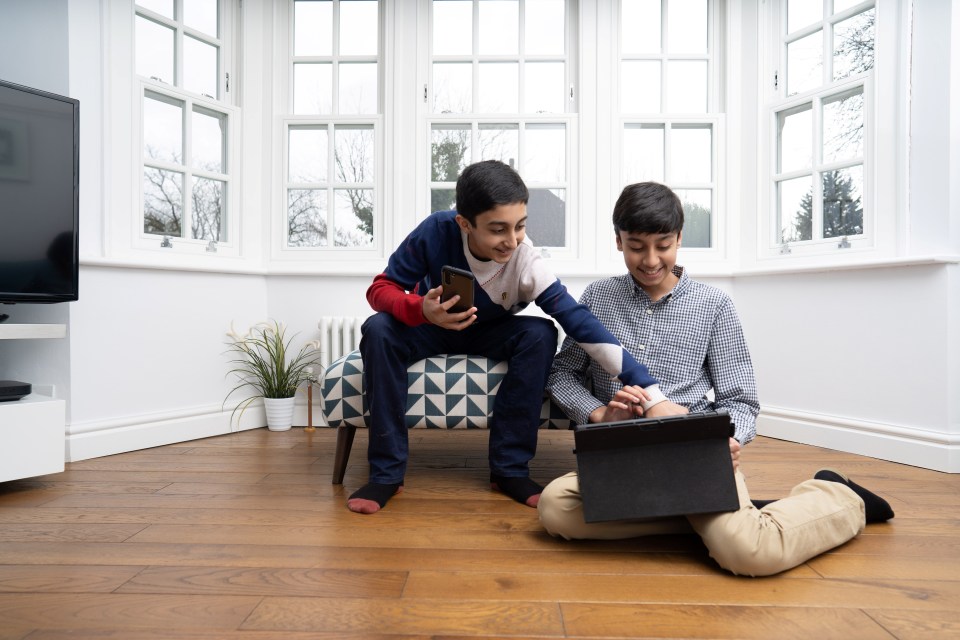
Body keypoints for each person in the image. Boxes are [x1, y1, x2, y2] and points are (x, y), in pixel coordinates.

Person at [537, 181, 894, 576]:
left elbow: (741, 400)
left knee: (750, 555)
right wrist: (600, 414)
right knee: (556, 509)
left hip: (695, 455)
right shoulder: (597, 299)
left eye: (664, 244)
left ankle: (837, 494)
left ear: (680, 238)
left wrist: (730, 440)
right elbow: (563, 373)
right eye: (637, 246)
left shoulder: (714, 305)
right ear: (618, 241)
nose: (652, 259)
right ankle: (719, 520)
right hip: (621, 455)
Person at [350, 161, 684, 515]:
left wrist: (651, 395)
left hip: (489, 333)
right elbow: (380, 290)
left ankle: (509, 471)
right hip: (432, 327)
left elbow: (580, 322)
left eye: (520, 226)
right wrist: (421, 309)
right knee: (378, 329)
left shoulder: (526, 260)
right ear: (464, 223)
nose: (512, 240)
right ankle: (386, 474)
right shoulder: (436, 230)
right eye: (498, 230)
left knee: (540, 332)